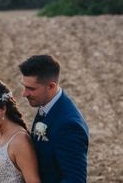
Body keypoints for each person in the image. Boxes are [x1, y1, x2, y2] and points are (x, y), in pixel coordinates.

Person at [19, 55, 89, 183]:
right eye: (24, 86)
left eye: (31, 89)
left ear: (51, 86)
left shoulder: (69, 126)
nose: (24, 93)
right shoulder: (47, 106)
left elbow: (75, 179)